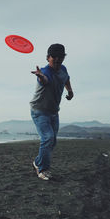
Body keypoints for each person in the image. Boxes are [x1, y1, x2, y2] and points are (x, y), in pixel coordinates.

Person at [30, 43, 74, 180]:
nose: (56, 59)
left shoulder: (63, 69)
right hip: (39, 111)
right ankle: (42, 170)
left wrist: (70, 91)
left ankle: (37, 162)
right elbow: (44, 80)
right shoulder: (45, 72)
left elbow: (66, 79)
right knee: (47, 138)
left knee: (52, 141)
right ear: (48, 57)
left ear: (63, 58)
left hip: (54, 112)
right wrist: (40, 76)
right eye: (53, 57)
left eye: (60, 57)